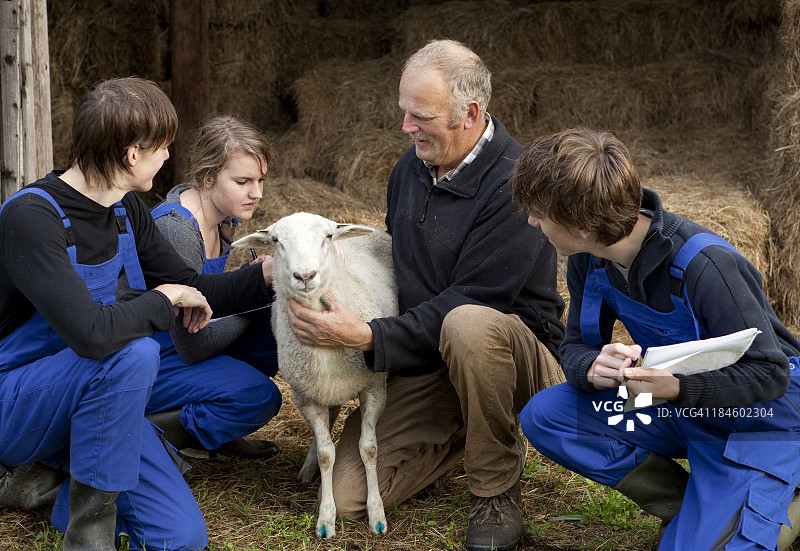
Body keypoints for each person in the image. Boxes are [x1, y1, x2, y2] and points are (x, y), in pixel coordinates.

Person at [286, 39, 565, 551]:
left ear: (470, 113)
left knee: (468, 324)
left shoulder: (516, 183)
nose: (406, 127)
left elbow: (472, 300)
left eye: (421, 115)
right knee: (348, 497)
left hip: (512, 355)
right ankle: (466, 429)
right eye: (404, 112)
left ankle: (496, 487)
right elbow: (395, 263)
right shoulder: (408, 172)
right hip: (430, 353)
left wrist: (368, 335)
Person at [0, 77, 275, 550]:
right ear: (133, 154)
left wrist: (273, 274)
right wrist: (164, 299)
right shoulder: (31, 218)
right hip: (20, 399)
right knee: (133, 354)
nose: (168, 158)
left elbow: (198, 287)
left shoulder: (128, 208)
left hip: (100, 401)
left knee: (182, 538)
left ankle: (57, 490)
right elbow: (91, 334)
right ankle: (89, 539)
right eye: (163, 147)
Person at [512, 126, 800, 550]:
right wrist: (592, 367)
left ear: (586, 224)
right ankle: (691, 506)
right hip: (677, 408)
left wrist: (679, 388)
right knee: (548, 416)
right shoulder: (589, 261)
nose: (532, 220)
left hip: (758, 420)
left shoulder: (706, 267)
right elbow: (575, 346)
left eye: (540, 212)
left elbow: (770, 373)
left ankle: (783, 498)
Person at [118, 114, 282, 461]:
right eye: (243, 181)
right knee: (261, 396)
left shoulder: (222, 219)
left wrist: (251, 295)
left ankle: (218, 425)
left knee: (273, 329)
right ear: (208, 177)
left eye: (261, 180)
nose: (257, 193)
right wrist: (252, 299)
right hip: (151, 356)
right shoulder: (178, 229)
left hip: (182, 344)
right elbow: (192, 345)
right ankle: (158, 432)